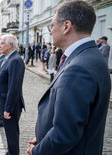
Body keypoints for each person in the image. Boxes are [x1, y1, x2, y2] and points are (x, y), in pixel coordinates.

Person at [28, 1, 111, 154]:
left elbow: (65, 133)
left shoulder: (78, 68)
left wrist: (37, 151)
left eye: (52, 26)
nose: (51, 32)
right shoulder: (91, 56)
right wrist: (43, 137)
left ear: (66, 26)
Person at [0, 34, 25, 155]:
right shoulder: (9, 58)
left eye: (2, 43)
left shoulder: (15, 60)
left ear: (10, 45)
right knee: (9, 132)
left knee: (12, 133)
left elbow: (14, 87)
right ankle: (11, 152)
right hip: (5, 102)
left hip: (10, 105)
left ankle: (13, 153)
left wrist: (8, 108)